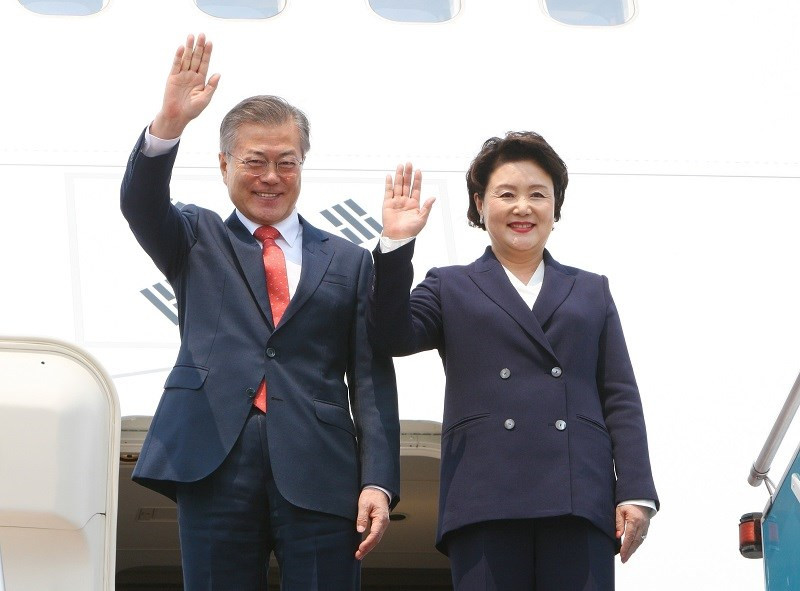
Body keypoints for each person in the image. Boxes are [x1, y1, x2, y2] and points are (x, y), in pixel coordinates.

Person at [120, 34, 400, 590]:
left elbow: (370, 380)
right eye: (254, 161)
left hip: (321, 467)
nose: (271, 176)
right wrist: (168, 124)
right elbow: (140, 202)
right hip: (215, 456)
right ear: (224, 164)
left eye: (285, 162)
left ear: (302, 165)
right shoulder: (195, 237)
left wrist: (378, 482)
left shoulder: (348, 260)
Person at [367, 132, 658, 590]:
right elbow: (389, 335)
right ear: (480, 204)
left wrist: (636, 490)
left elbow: (619, 395)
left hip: (578, 494)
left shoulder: (591, 289)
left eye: (537, 195)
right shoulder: (450, 285)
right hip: (485, 495)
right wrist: (396, 244)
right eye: (507, 194)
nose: (523, 207)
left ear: (555, 208)